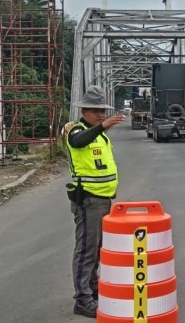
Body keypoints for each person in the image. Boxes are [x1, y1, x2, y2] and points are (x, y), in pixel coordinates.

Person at [64, 85, 126, 318]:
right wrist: (103, 126)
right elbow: (79, 142)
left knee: (98, 248)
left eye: (102, 110)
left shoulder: (100, 135)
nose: (100, 114)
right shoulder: (75, 131)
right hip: (88, 200)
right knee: (86, 250)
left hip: (103, 200)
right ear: (84, 111)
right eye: (95, 110)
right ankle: (82, 299)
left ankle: (92, 288)